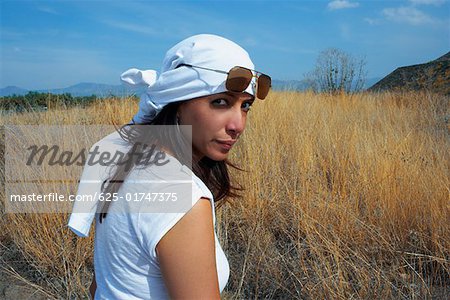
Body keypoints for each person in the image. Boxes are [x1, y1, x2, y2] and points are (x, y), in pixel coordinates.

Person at [68, 34, 271, 299]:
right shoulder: (182, 198)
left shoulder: (124, 161)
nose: (238, 125)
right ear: (177, 104)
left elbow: (102, 284)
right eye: (220, 102)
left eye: (245, 106)